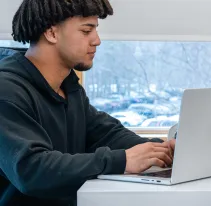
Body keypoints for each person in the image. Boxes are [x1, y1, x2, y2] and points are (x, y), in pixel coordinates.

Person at [0, 0, 175, 205]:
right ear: (51, 33)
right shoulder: (7, 91)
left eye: (95, 30)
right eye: (86, 31)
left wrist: (162, 150)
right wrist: (123, 160)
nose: (97, 40)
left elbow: (106, 133)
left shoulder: (68, 87)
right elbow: (31, 169)